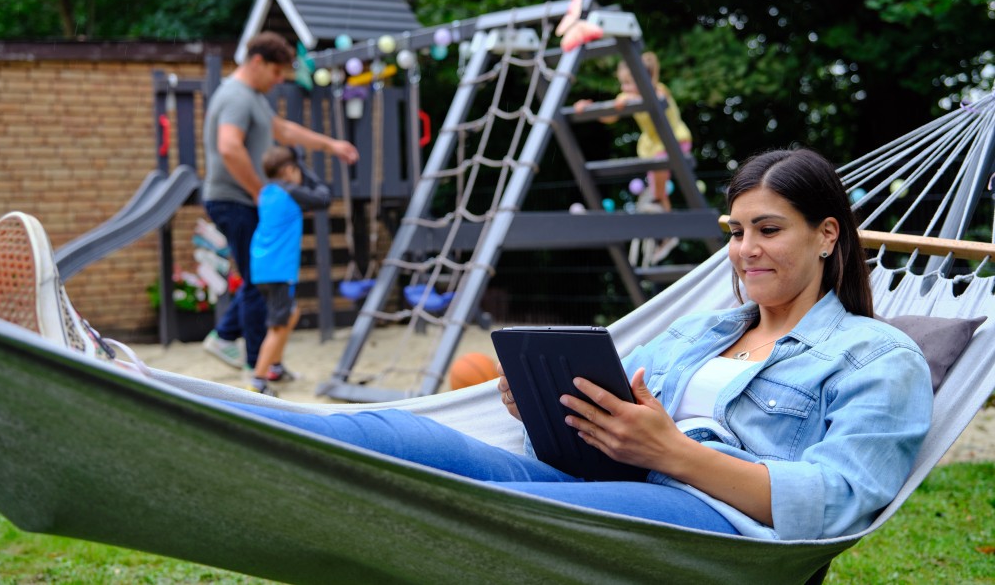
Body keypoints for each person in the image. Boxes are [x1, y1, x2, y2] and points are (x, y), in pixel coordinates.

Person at [211, 147, 933, 540]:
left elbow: (837, 499)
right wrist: (549, 408)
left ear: (827, 233)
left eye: (768, 229)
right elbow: (621, 418)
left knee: (475, 510)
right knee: (395, 435)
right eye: (736, 231)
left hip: (718, 528)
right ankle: (190, 415)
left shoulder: (879, 356)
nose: (744, 250)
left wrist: (671, 451)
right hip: (611, 484)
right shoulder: (704, 328)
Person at [201, 31, 359, 374]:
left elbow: (284, 131)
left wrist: (330, 145)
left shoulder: (253, 96)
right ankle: (254, 359)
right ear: (258, 62)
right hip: (234, 200)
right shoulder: (237, 97)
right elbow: (229, 147)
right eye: (276, 73)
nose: (278, 81)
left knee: (259, 280)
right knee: (262, 282)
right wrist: (259, 191)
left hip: (240, 200)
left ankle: (243, 347)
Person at [575, 52, 693, 264]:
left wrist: (634, 98)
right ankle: (667, 234)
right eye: (622, 83)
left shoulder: (658, 90)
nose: (624, 88)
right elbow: (610, 115)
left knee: (658, 182)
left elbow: (657, 99)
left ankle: (660, 212)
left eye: (629, 83)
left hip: (675, 140)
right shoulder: (626, 97)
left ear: (647, 79)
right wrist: (587, 109)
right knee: (659, 186)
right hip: (653, 146)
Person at [247, 146, 332, 396]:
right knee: (278, 325)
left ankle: (275, 368)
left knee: (291, 314)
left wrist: (298, 165)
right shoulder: (291, 191)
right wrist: (305, 167)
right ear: (288, 170)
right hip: (279, 269)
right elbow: (324, 197)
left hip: (262, 266)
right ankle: (258, 381)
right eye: (296, 170)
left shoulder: (266, 192)